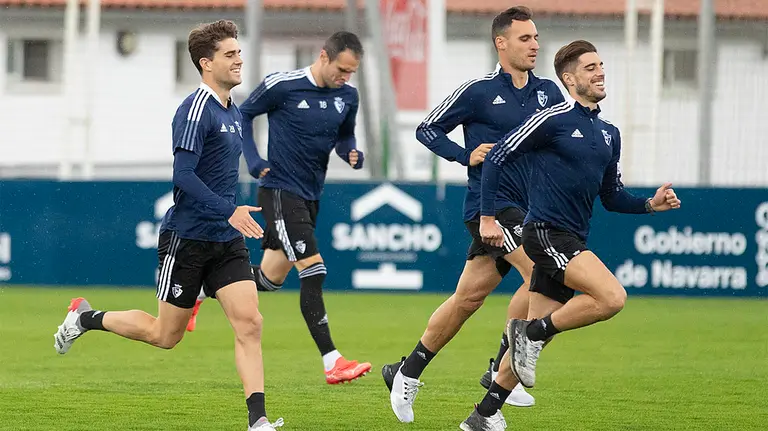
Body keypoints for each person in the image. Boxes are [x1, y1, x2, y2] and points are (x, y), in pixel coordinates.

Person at [52, 20, 284, 431]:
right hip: (188, 239)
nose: (239, 60)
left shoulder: (232, 111)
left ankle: (258, 421)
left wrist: (234, 212)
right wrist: (228, 210)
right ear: (205, 63)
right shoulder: (195, 109)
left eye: (238, 52)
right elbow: (184, 175)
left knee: (250, 323)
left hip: (224, 240)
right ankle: (84, 319)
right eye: (230, 54)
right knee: (166, 335)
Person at [456, 39, 682, 430]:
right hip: (545, 234)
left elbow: (611, 197)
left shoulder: (609, 134)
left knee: (526, 355)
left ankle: (483, 415)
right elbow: (495, 157)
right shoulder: (552, 119)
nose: (600, 72)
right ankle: (531, 332)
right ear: (569, 78)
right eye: (590, 67)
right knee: (612, 297)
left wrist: (649, 205)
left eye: (601, 65)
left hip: (571, 236)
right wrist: (488, 217)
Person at [381, 7, 565, 423]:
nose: (534, 44)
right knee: (542, 275)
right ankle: (501, 367)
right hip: (491, 207)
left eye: (536, 37)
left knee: (467, 299)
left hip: (530, 209)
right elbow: (426, 128)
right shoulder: (479, 91)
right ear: (501, 43)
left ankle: (405, 371)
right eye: (524, 38)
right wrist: (466, 156)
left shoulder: (549, 94)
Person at [239, 31, 370, 384]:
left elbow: (345, 136)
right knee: (314, 270)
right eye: (341, 69)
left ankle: (202, 284)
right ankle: (332, 361)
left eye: (351, 72)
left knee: (269, 278)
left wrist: (351, 153)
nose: (345, 77)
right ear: (324, 56)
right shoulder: (283, 86)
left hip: (311, 195)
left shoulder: (348, 96)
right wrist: (253, 160)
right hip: (280, 191)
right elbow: (243, 115)